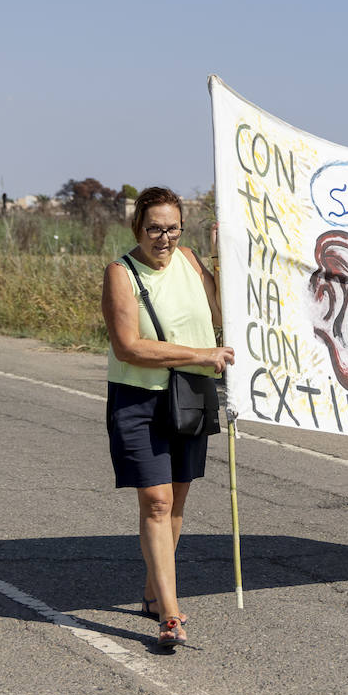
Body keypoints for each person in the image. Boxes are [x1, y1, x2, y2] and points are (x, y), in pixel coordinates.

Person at [101, 187, 233, 647]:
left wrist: (220, 261)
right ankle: (170, 616)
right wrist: (199, 354)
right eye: (155, 228)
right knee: (155, 502)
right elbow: (128, 347)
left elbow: (222, 315)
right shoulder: (121, 272)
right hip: (139, 399)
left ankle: (156, 593)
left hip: (190, 395)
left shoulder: (193, 263)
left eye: (173, 228)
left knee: (176, 502)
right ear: (137, 227)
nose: (165, 238)